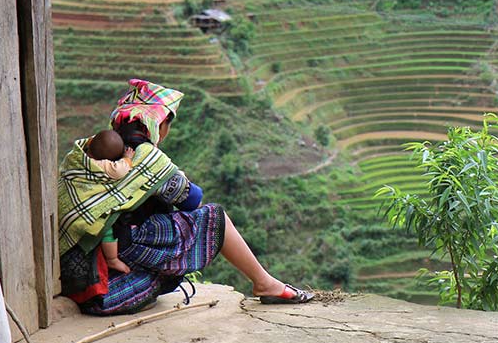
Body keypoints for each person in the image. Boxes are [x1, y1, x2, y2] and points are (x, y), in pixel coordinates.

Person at [58, 78, 313, 315]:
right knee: (215, 218)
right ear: (159, 124)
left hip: (78, 273)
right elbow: (192, 198)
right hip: (109, 276)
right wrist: (172, 173)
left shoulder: (91, 150)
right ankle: (265, 284)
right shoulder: (145, 156)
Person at [84, 129, 135, 274]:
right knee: (107, 225)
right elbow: (120, 170)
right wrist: (127, 158)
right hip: (90, 207)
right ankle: (112, 259)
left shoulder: (78, 156)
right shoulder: (104, 166)